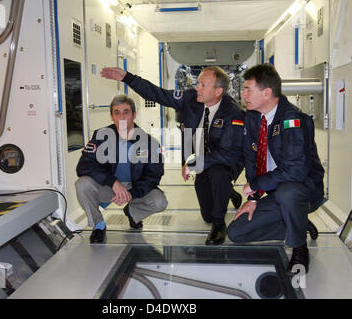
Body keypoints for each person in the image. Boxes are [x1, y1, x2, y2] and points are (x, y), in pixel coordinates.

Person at [101, 66, 245, 245]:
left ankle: (219, 224)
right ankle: (228, 192)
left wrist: (192, 164)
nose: (196, 87)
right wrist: (128, 78)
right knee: (206, 214)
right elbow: (157, 94)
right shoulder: (191, 98)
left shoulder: (233, 112)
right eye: (197, 83)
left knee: (218, 175)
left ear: (218, 91)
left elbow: (228, 154)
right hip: (201, 158)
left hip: (224, 161)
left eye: (202, 84)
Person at [227, 64, 325, 274]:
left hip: (302, 190)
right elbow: (251, 158)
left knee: (287, 190)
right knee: (237, 232)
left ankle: (300, 248)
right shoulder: (253, 117)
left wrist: (255, 184)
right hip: (273, 192)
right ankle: (297, 222)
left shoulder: (293, 120)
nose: (243, 95)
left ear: (267, 93)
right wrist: (253, 198)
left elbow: (295, 171)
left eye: (248, 89)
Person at [75, 95, 168, 243]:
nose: (121, 117)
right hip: (109, 186)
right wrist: (112, 182)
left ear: (134, 115)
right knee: (82, 184)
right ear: (112, 116)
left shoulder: (149, 142)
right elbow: (84, 165)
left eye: (126, 112)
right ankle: (98, 225)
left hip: (136, 187)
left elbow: (153, 176)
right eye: (116, 112)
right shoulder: (101, 137)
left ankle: (132, 211)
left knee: (159, 202)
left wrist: (131, 194)